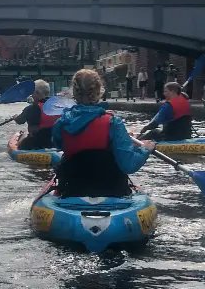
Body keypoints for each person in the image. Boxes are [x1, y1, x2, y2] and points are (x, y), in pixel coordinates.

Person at [52, 69, 155, 198]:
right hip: (112, 189)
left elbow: (59, 145)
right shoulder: (113, 122)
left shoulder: (61, 122)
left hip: (72, 189)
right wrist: (144, 149)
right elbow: (129, 165)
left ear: (74, 91)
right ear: (99, 91)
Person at [14, 80, 58, 150]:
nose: (31, 95)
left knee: (21, 143)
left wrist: (15, 117)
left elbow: (20, 121)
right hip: (53, 143)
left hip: (35, 143)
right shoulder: (57, 107)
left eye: (32, 92)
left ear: (37, 93)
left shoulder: (30, 109)